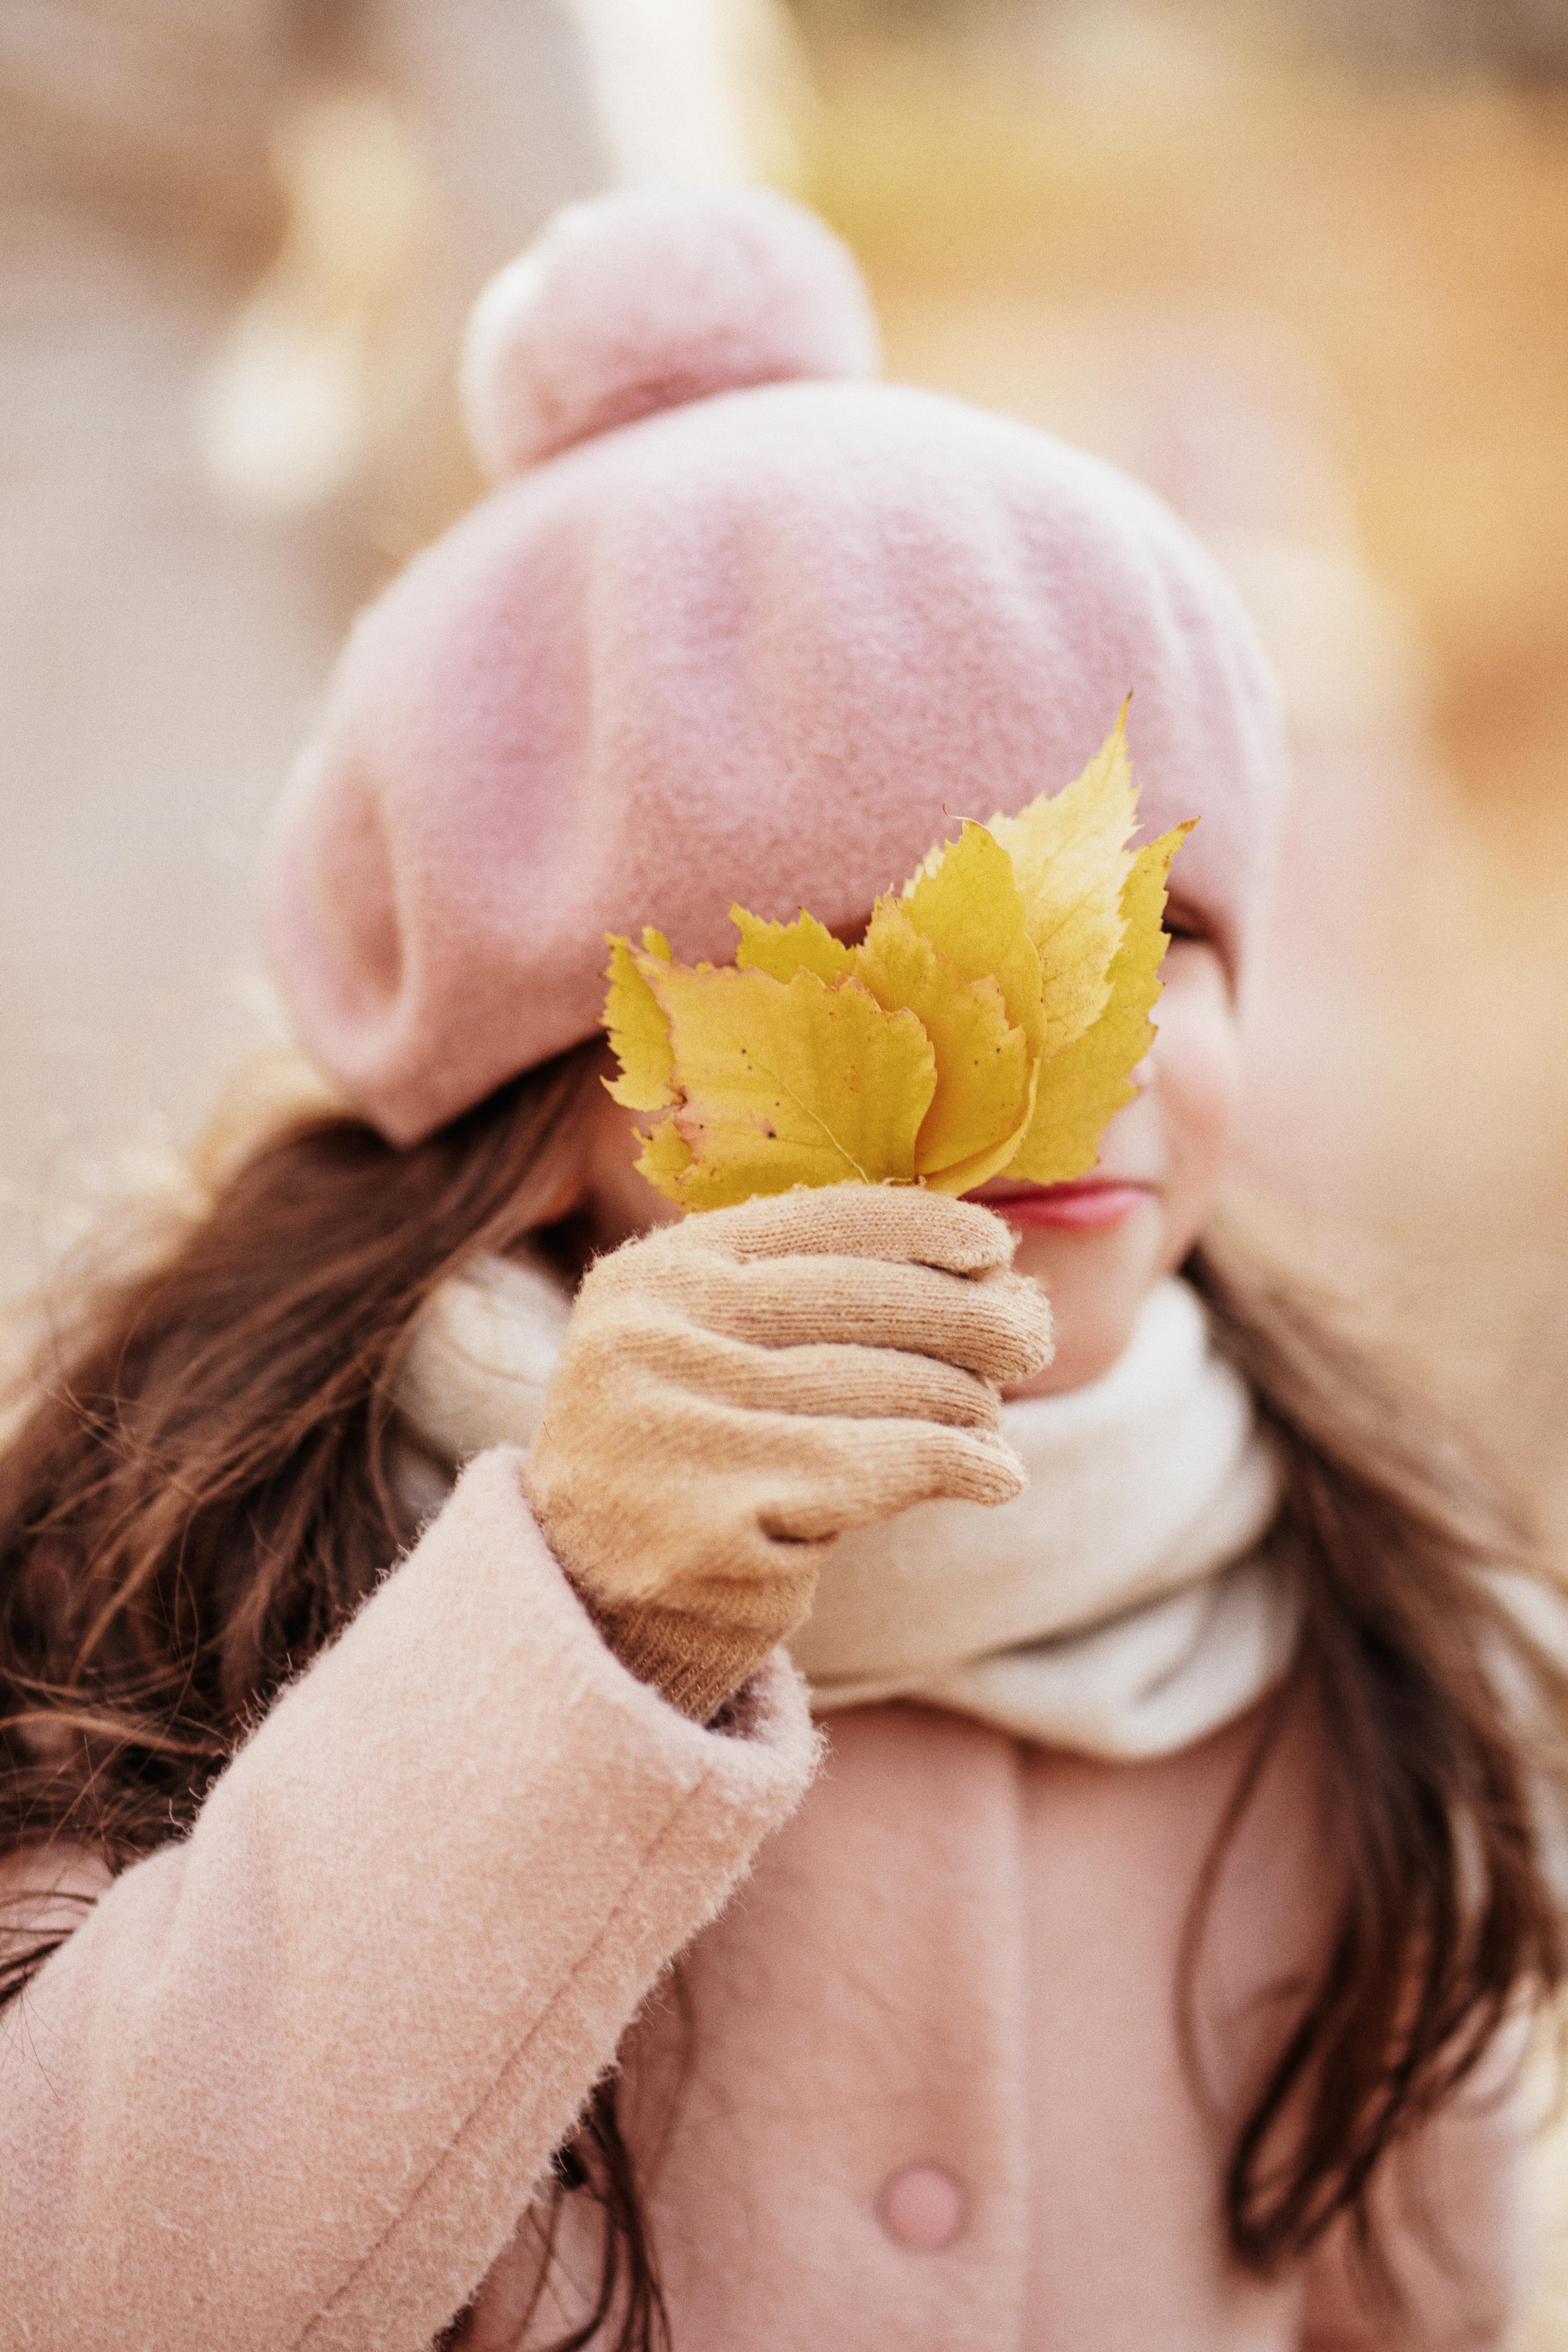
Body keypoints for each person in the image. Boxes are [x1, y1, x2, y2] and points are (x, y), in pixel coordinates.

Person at [0, 186, 1562, 2352]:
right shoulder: (193, 1549)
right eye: (865, 949)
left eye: (1154, 937)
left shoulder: (1384, 1632)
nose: (1065, 1060)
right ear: (531, 1076)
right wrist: (584, 1629)